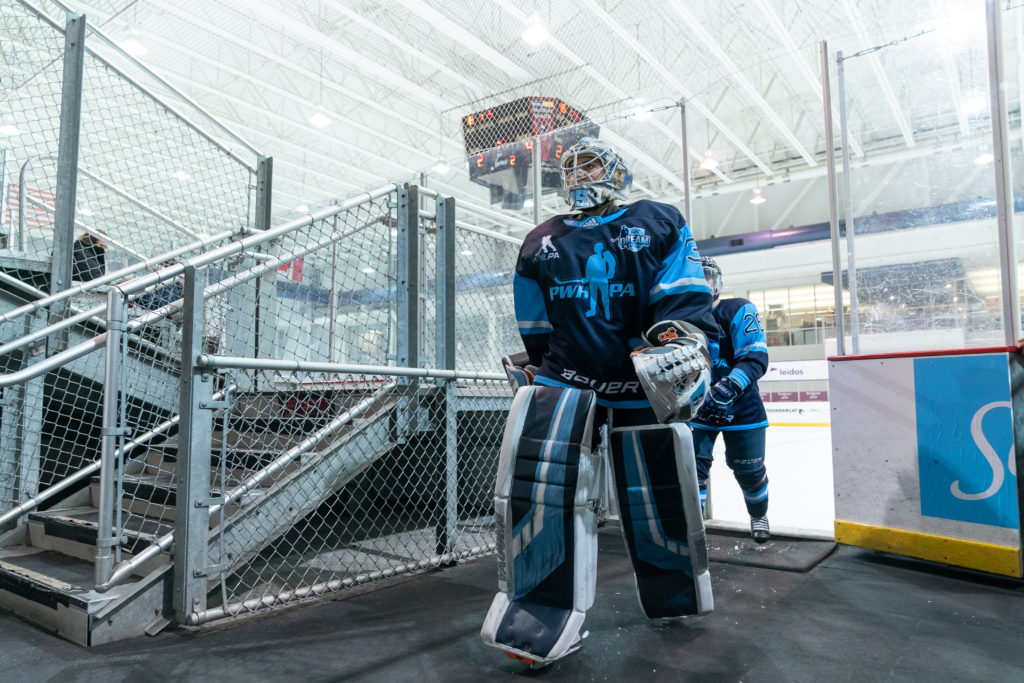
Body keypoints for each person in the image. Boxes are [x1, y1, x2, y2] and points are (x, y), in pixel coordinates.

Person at [482, 137, 718, 667]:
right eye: (571, 166)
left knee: (657, 488)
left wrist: (678, 338)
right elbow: (536, 326)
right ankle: (542, 610)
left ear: (617, 169)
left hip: (643, 382)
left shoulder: (658, 220)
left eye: (590, 163)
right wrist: (544, 368)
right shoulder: (540, 240)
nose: (580, 173)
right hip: (567, 379)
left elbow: (679, 298)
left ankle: (672, 591)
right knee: (543, 492)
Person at [690, 256, 771, 543]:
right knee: (692, 472)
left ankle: (758, 515)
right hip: (697, 409)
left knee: (749, 470)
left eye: (708, 278)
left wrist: (726, 390)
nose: (704, 285)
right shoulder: (678, 317)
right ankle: (695, 528)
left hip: (743, 408)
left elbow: (755, 357)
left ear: (719, 283)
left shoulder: (738, 308)